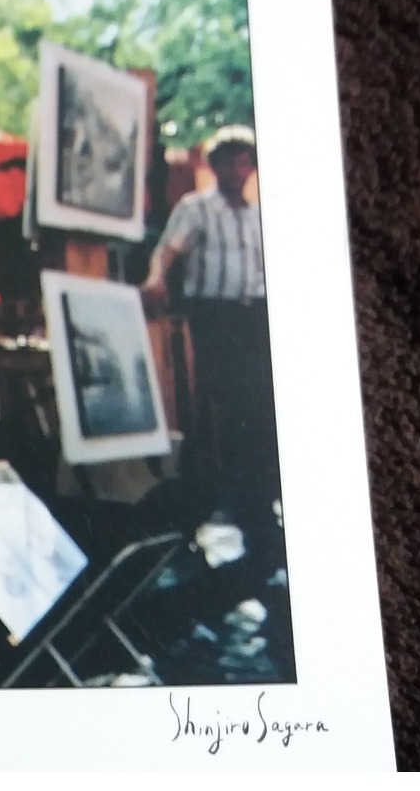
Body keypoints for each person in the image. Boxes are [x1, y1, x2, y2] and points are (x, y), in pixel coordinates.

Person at [142, 125, 283, 573]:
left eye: (244, 161)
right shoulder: (197, 208)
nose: (236, 170)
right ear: (214, 165)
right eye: (227, 160)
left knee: (260, 410)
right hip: (215, 318)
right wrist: (156, 278)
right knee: (220, 410)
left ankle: (259, 508)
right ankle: (215, 507)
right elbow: (167, 251)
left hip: (254, 317)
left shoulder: (260, 215)